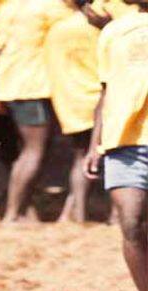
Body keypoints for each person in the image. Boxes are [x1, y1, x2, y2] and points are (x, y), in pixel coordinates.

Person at [84, 0, 148, 291]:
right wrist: (95, 144)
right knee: (132, 223)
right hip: (125, 143)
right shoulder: (112, 33)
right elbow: (107, 91)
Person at [0, 0, 73, 224]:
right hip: (32, 86)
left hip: (6, 85)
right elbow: (75, 31)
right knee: (33, 151)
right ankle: (13, 215)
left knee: (26, 151)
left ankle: (25, 211)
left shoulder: (6, 7)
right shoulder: (51, 7)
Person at [46, 1, 104, 223]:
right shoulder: (100, 27)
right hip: (98, 99)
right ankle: (105, 215)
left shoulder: (57, 29)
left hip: (70, 100)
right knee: (108, 157)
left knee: (81, 155)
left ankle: (73, 214)